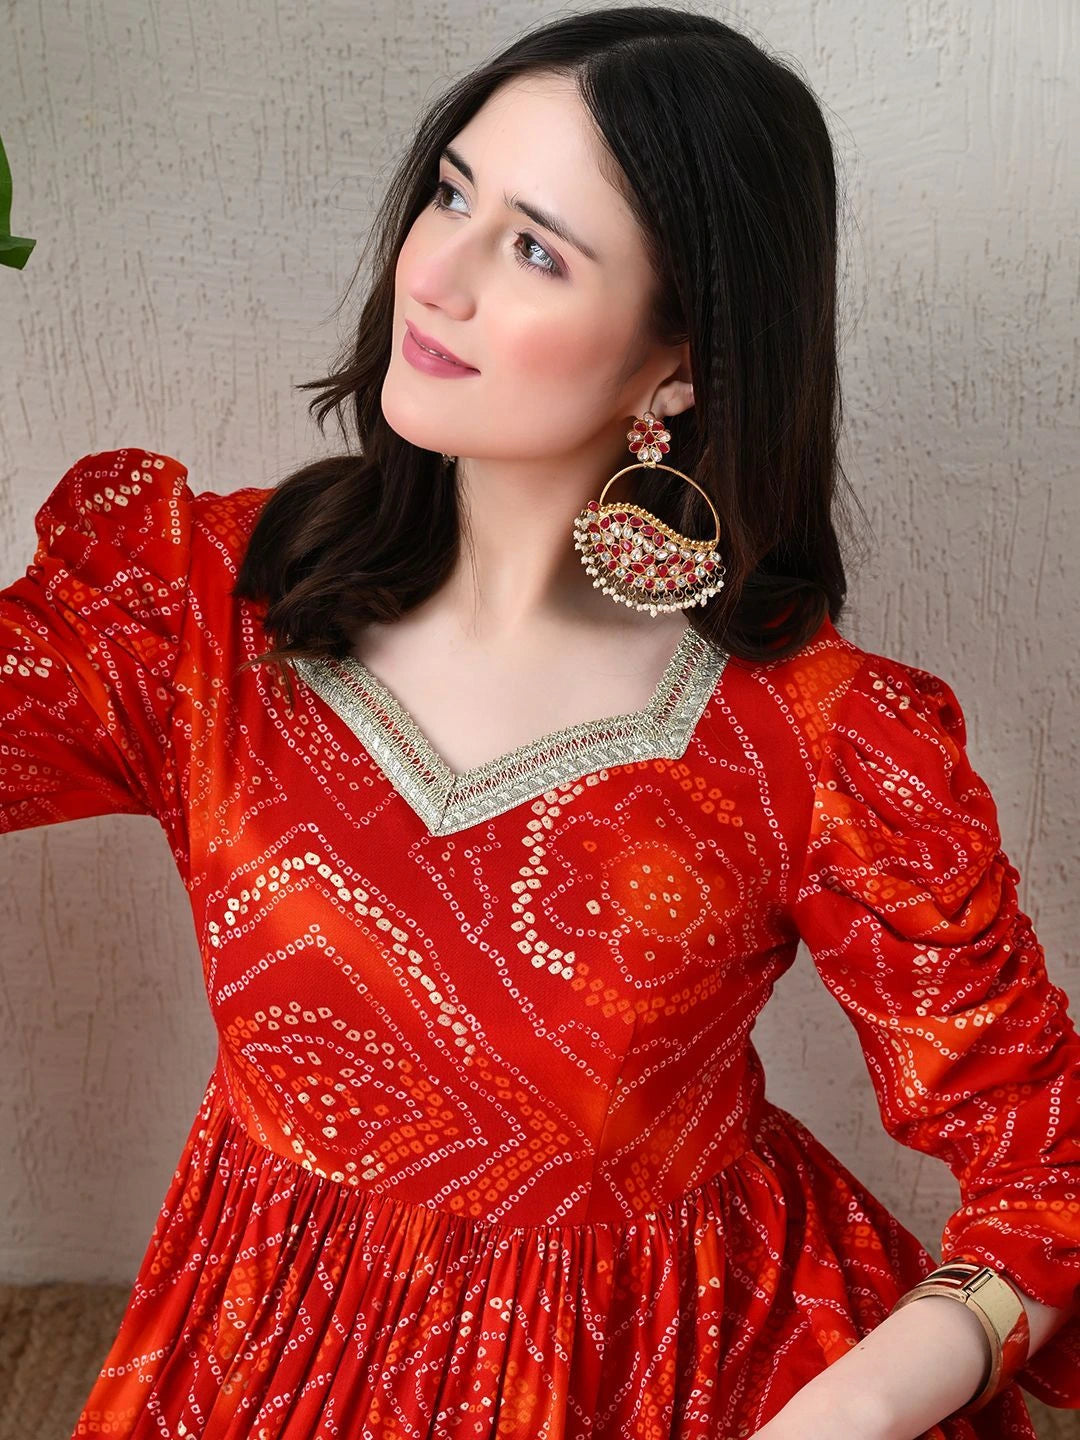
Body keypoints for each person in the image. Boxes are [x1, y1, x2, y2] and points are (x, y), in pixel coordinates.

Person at [3, 7, 1078, 1438]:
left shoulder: (821, 748)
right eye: (451, 193)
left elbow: (1048, 1168)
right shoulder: (198, 610)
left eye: (534, 248)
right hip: (261, 1360)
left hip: (685, 1377)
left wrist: (863, 1409)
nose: (432, 275)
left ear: (677, 359)